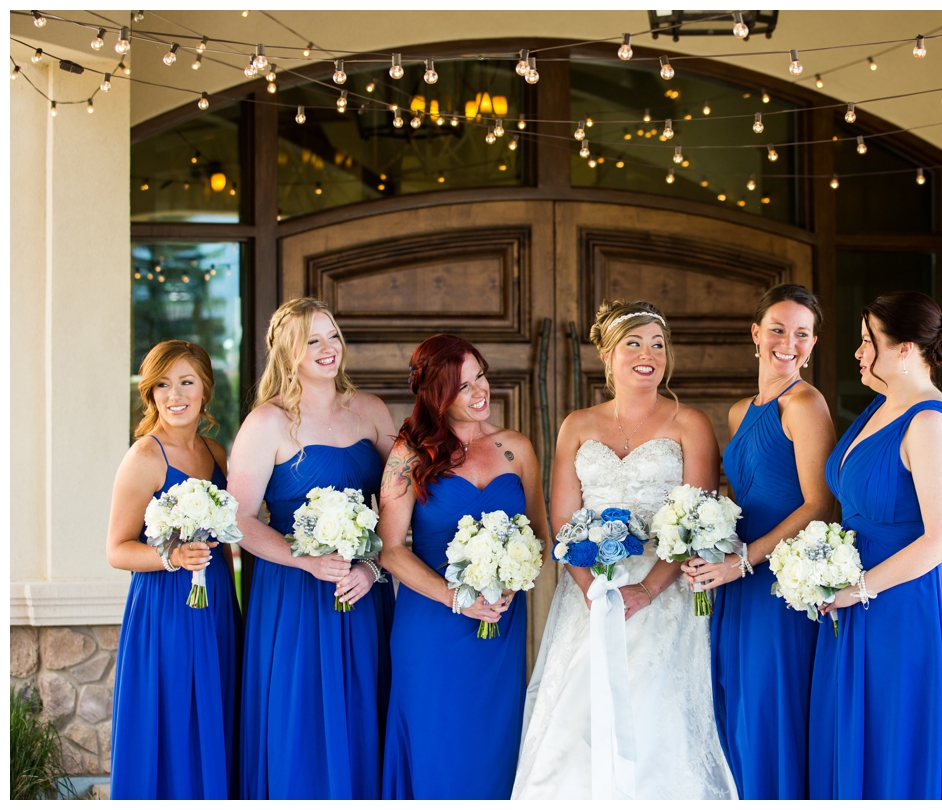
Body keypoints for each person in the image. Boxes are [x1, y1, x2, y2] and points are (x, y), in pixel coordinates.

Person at [514, 301, 737, 798]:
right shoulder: (577, 424)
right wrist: (595, 590)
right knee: (577, 716)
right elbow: (563, 522)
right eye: (634, 343)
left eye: (658, 345)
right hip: (590, 591)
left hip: (665, 591)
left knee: (656, 715)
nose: (648, 354)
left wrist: (646, 591)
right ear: (609, 356)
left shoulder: (690, 423)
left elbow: (696, 519)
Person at [808, 291, 942, 798]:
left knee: (908, 746)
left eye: (868, 341)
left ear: (903, 350)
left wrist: (855, 588)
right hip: (867, 596)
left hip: (915, 602)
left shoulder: (930, 422)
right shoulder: (880, 406)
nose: (858, 352)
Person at [226, 298, 396, 798]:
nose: (328, 349)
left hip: (361, 588)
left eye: (333, 336)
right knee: (299, 714)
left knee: (364, 706)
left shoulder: (370, 411)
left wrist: (368, 566)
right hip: (295, 593)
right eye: (312, 340)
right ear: (288, 352)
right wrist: (306, 559)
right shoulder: (267, 423)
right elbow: (238, 519)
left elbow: (400, 498)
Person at [375, 336, 548, 798]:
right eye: (462, 386)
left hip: (499, 623)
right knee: (437, 745)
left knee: (494, 748)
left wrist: (516, 577)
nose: (480, 392)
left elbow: (541, 536)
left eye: (481, 377)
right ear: (435, 395)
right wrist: (456, 597)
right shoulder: (408, 454)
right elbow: (390, 549)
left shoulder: (517, 448)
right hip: (433, 624)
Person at [687, 285, 839, 798]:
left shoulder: (805, 404)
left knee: (772, 709)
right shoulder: (738, 412)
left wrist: (744, 561)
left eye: (802, 334)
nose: (787, 343)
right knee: (736, 703)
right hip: (736, 579)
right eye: (777, 329)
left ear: (813, 344)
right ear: (756, 334)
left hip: (777, 580)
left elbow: (820, 504)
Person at [104, 341, 240, 799]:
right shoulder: (145, 456)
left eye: (185, 382)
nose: (174, 394)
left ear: (205, 389)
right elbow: (117, 550)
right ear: (150, 393)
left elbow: (226, 543)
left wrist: (234, 611)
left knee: (213, 714)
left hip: (216, 602)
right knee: (172, 714)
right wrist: (172, 558)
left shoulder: (217, 453)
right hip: (165, 609)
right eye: (162, 384)